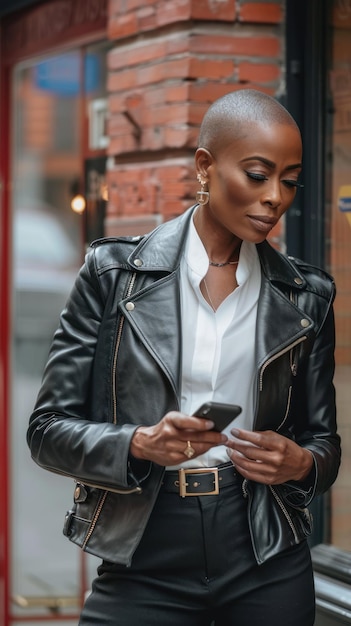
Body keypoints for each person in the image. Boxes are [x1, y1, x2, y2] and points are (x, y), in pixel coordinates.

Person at [27, 88, 341, 626]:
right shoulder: (112, 275)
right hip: (145, 545)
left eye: (289, 181)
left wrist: (303, 463)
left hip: (264, 547)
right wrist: (140, 443)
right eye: (258, 174)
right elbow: (47, 430)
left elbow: (323, 441)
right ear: (205, 166)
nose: (275, 197)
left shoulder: (307, 296)